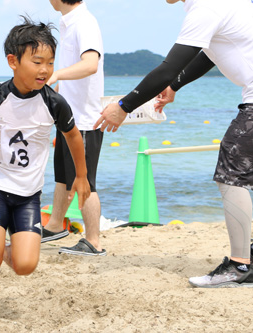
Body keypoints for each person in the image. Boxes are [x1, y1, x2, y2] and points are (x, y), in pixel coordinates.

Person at [96, 0, 253, 288]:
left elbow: (168, 67)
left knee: (233, 172)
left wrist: (124, 106)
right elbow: (208, 53)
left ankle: (240, 266)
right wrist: (176, 85)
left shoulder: (206, 7)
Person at [0, 17, 89, 332]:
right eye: (37, 61)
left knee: (25, 265)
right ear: (13, 61)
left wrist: (81, 176)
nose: (44, 70)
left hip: (28, 196)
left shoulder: (54, 102)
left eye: (50, 63)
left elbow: (74, 137)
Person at [42, 0, 106, 257]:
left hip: (85, 120)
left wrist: (56, 75)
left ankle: (93, 241)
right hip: (69, 116)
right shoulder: (67, 21)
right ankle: (56, 225)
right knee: (63, 176)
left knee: (85, 180)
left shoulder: (84, 22)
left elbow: (90, 64)